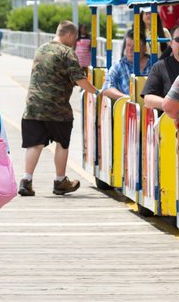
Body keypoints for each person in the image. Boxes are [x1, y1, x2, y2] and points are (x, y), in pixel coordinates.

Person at [18, 20, 98, 197]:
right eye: (75, 38)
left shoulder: (40, 49)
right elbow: (80, 79)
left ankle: (26, 180)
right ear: (69, 35)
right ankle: (60, 181)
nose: (76, 41)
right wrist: (96, 91)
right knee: (62, 143)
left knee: (35, 144)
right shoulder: (67, 52)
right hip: (57, 109)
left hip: (32, 107)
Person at [139, 22, 179, 111]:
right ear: (171, 43)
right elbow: (148, 98)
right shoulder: (160, 67)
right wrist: (170, 105)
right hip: (168, 121)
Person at [101, 30, 148, 102]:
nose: (130, 49)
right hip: (127, 109)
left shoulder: (155, 65)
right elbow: (106, 88)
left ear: (144, 48)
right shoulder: (118, 66)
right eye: (128, 45)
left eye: (135, 46)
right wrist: (127, 98)